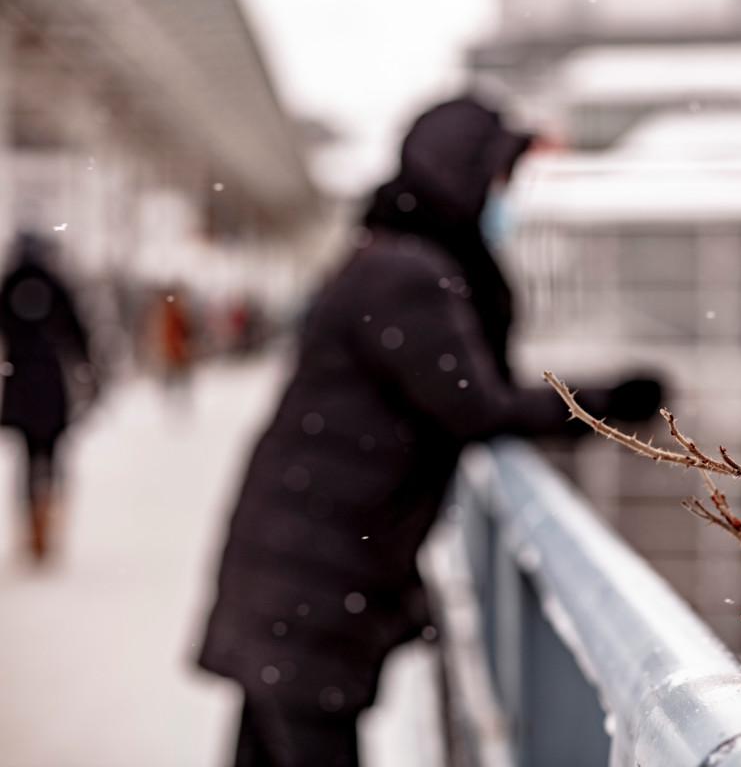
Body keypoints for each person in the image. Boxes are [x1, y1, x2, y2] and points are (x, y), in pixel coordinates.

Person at [198, 97, 662, 767]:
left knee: (272, 743)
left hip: (300, 567)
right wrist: (604, 404)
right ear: (465, 176)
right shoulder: (407, 275)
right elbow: (477, 405)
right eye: (501, 178)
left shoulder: (390, 258)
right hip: (317, 576)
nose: (507, 197)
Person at [0, 232, 94, 563]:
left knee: (27, 459)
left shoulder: (9, 284)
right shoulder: (55, 285)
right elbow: (78, 335)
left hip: (19, 382)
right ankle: (48, 523)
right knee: (52, 456)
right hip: (50, 386)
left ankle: (30, 528)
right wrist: (88, 372)